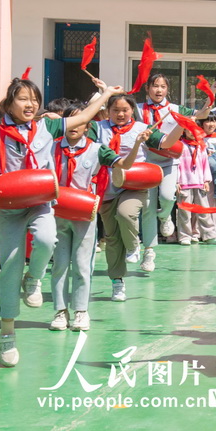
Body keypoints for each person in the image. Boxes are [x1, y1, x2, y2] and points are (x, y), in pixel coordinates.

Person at [0, 76, 120, 366]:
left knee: (47, 240)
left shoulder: (48, 127)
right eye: (23, 99)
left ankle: (33, 278)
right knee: (10, 266)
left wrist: (106, 93)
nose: (30, 104)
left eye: (35, 100)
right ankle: (7, 333)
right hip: (9, 206)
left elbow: (84, 117)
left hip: (41, 202)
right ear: (9, 103)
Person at [50, 103, 137, 331]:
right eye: (71, 120)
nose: (75, 126)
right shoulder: (51, 147)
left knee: (82, 264)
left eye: (80, 121)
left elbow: (124, 164)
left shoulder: (97, 149)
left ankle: (81, 311)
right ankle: (60, 311)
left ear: (87, 126)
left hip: (83, 214)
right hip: (57, 213)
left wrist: (137, 144)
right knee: (59, 264)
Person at [96, 92, 181, 301]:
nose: (120, 114)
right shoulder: (98, 128)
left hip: (134, 185)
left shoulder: (142, 129)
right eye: (115, 110)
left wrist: (182, 125)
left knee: (126, 213)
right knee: (112, 239)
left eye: (125, 110)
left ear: (132, 110)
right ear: (108, 111)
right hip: (107, 187)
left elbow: (167, 143)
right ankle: (117, 281)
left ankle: (134, 245)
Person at [137, 73, 212, 269]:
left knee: (168, 197)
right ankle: (149, 251)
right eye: (155, 86)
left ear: (167, 90)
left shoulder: (177, 109)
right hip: (145, 162)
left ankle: (165, 216)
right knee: (147, 207)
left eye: (163, 86)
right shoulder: (137, 109)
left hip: (169, 161)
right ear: (147, 88)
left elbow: (202, 114)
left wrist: (211, 95)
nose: (159, 90)